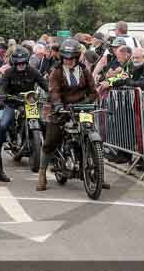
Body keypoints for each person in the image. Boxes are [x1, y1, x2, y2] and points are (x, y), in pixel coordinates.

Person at [38, 39, 100, 191]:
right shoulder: (56, 72)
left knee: (93, 133)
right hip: (62, 110)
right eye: (66, 58)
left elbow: (93, 92)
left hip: (81, 109)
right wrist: (58, 105)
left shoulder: (84, 71)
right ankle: (42, 174)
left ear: (77, 57)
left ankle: (99, 173)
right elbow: (53, 91)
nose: (69, 61)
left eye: (71, 58)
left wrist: (85, 103)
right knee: (50, 141)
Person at [0, 47, 48, 166]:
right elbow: (1, 86)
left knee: (44, 124)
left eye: (23, 63)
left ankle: (49, 154)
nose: (21, 65)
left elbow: (45, 84)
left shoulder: (33, 71)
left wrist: (52, 93)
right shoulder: (9, 72)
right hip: (12, 103)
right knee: (3, 124)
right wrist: (2, 95)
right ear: (14, 62)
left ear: (27, 61)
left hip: (29, 103)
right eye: (18, 63)